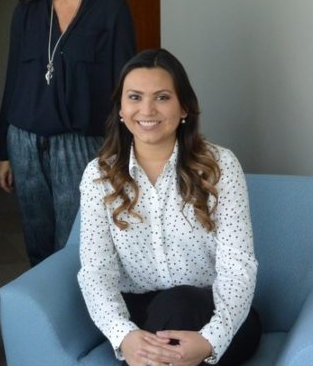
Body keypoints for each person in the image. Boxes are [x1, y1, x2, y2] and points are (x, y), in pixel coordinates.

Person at [78, 49, 261, 366]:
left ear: (185, 107)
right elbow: (96, 272)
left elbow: (238, 267)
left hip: (212, 311)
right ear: (121, 108)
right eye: (134, 97)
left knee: (180, 304)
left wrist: (209, 341)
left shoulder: (220, 167)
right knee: (167, 322)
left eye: (162, 97)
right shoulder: (100, 175)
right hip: (139, 317)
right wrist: (124, 336)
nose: (146, 109)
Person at [0, 0, 136, 265]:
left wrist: (122, 151)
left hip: (81, 144)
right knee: (37, 241)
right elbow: (12, 79)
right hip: (25, 142)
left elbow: (125, 85)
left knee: (76, 244)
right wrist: (3, 152)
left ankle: (75, 316)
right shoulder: (27, 10)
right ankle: (41, 313)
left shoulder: (111, 8)